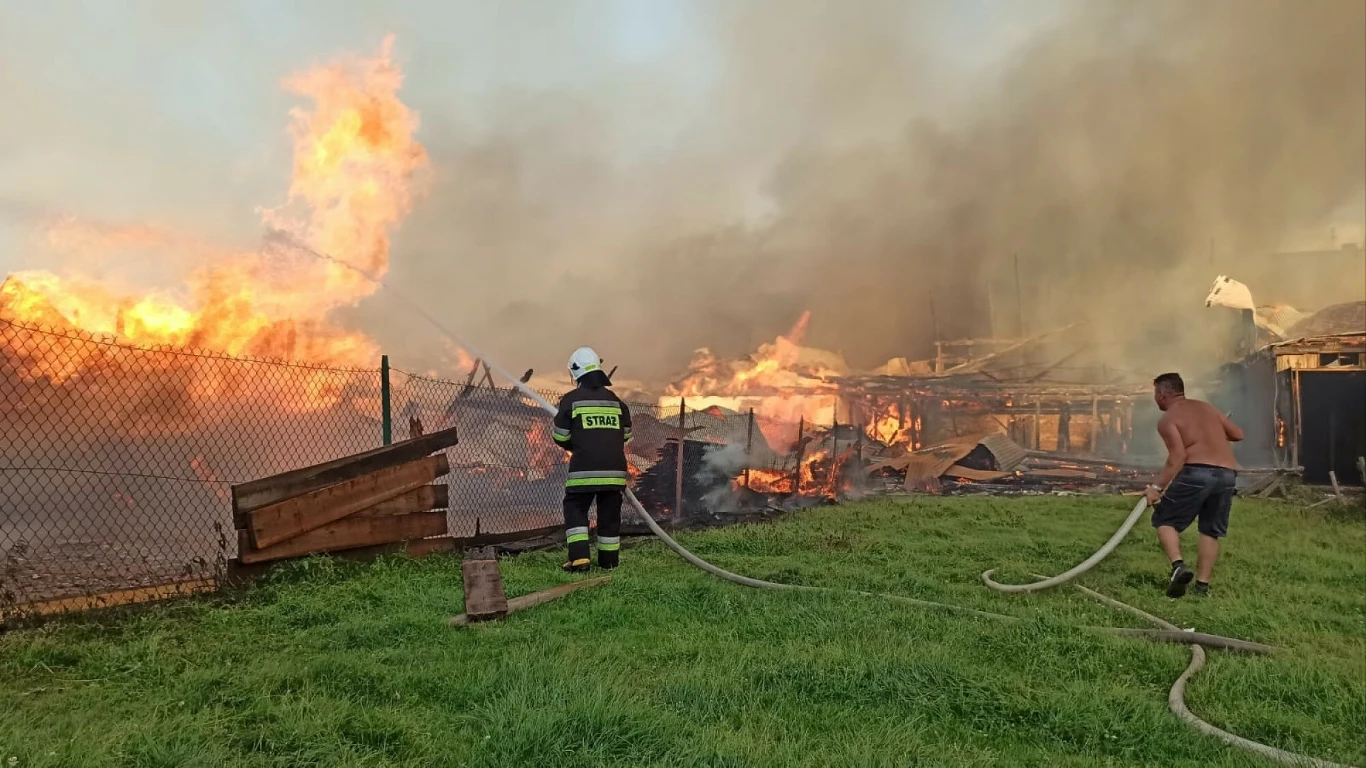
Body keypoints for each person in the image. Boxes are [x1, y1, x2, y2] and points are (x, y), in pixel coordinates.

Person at [1142, 372, 1243, 598]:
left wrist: (1156, 489)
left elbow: (1177, 456)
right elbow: (1237, 434)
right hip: (1227, 475)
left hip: (1197, 472)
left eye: (1155, 393)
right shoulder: (1207, 408)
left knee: (1164, 520)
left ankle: (1178, 566)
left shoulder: (1168, 419)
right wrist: (1212, 431)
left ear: (1161, 394)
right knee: (1210, 530)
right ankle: (1202, 588)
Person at [551, 346, 632, 572]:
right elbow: (626, 434)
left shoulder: (571, 400)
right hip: (615, 472)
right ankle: (609, 562)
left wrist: (579, 444)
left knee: (575, 507)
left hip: (584, 470)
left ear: (575, 371)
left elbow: (560, 436)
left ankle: (579, 559)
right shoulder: (616, 401)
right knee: (609, 516)